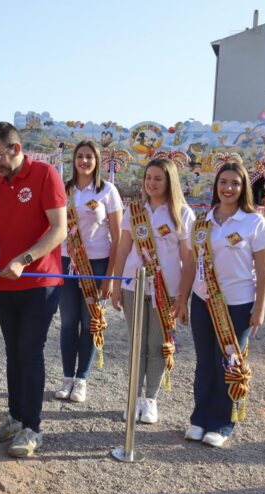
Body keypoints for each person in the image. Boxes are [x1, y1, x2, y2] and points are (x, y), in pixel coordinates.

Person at [0, 122, 67, 458]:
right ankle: (15, 417)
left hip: (40, 282)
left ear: (16, 149)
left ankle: (32, 428)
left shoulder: (45, 175)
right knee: (13, 352)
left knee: (30, 350)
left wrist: (25, 259)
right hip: (4, 283)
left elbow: (59, 229)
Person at [176, 160, 265, 448]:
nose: (228, 188)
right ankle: (200, 418)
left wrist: (260, 308)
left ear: (243, 188)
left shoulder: (253, 222)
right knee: (204, 362)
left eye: (235, 183)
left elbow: (264, 268)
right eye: (223, 182)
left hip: (238, 304)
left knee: (228, 364)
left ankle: (222, 423)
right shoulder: (203, 221)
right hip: (203, 300)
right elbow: (191, 263)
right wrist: (182, 300)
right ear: (216, 186)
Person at [112, 157, 195, 423]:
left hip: (167, 290)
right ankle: (133, 398)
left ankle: (151, 400)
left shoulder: (182, 213)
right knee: (137, 344)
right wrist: (115, 285)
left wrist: (183, 296)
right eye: (148, 178)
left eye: (158, 178)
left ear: (170, 181)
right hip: (133, 287)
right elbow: (123, 249)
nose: (152, 183)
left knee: (157, 345)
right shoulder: (135, 211)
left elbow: (188, 257)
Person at [56, 140, 123, 403]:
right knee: (68, 322)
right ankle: (66, 377)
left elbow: (117, 237)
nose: (84, 161)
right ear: (74, 160)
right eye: (80, 156)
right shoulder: (64, 190)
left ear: (97, 161)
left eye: (89, 157)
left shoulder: (107, 191)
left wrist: (109, 276)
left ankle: (82, 378)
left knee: (89, 323)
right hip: (66, 263)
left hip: (96, 265)